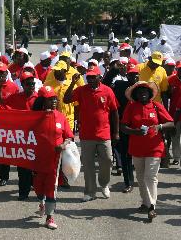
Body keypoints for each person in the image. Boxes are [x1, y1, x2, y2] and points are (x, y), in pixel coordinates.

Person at [120, 81, 174, 222]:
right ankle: (145, 203)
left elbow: (171, 122)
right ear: (135, 94)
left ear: (150, 93)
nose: (143, 93)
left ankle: (152, 207)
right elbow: (123, 126)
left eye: (145, 90)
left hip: (155, 147)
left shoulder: (156, 106)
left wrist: (159, 126)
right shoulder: (131, 107)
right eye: (139, 91)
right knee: (140, 177)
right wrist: (135, 131)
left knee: (150, 177)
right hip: (137, 147)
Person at [63, 66, 119, 202]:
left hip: (104, 134)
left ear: (100, 77)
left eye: (94, 77)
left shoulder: (107, 91)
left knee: (107, 160)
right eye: (88, 77)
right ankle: (90, 191)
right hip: (87, 135)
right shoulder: (81, 90)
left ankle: (104, 184)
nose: (91, 80)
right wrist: (72, 82)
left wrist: (116, 132)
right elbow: (66, 99)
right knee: (88, 165)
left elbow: (114, 112)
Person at [32, 86, 73, 229]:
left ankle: (50, 217)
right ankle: (41, 202)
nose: (54, 101)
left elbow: (69, 136)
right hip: (36, 159)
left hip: (54, 160)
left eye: (55, 98)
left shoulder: (60, 116)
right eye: (50, 99)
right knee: (38, 187)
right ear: (43, 101)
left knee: (51, 187)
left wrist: (63, 144)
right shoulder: (34, 117)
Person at [2, 71, 38, 200]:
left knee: (35, 167)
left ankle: (35, 186)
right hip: (20, 139)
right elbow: (0, 103)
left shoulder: (39, 99)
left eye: (33, 83)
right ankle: (23, 192)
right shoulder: (15, 98)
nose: (32, 86)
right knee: (22, 167)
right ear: (22, 84)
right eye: (28, 84)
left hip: (35, 138)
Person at [112, 64, 139, 193]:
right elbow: (105, 83)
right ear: (127, 75)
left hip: (140, 127)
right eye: (132, 74)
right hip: (124, 125)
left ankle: (143, 181)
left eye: (136, 74)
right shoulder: (119, 85)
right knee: (125, 155)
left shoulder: (143, 88)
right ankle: (128, 182)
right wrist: (114, 70)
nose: (134, 76)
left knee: (140, 156)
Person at [166, 60, 181, 168]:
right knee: (175, 136)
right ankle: (176, 157)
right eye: (179, 69)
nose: (180, 70)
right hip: (174, 113)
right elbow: (166, 95)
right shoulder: (171, 79)